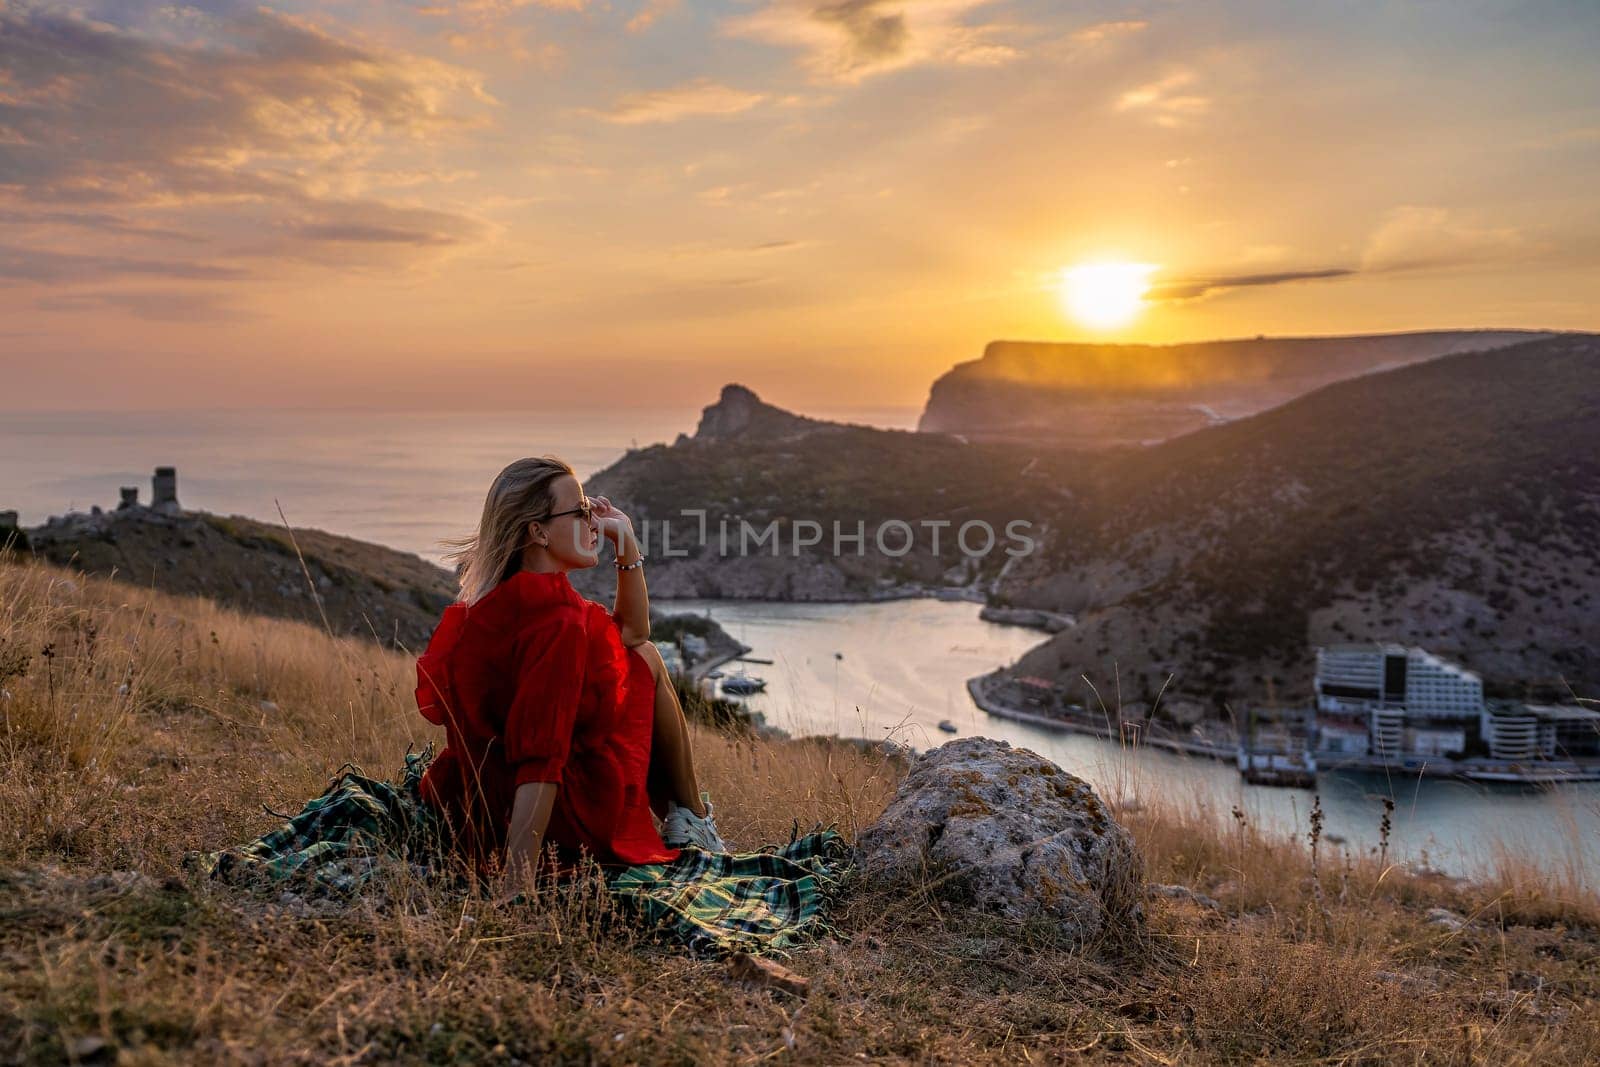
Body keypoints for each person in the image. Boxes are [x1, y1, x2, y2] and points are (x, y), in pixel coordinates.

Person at [413, 456, 727, 903]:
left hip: (477, 798)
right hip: (553, 820)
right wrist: (514, 888)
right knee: (647, 659)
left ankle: (691, 819)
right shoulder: (557, 624)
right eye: (579, 512)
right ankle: (694, 821)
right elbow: (540, 760)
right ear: (537, 531)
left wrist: (627, 542)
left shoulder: (512, 597)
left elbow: (634, 634)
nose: (592, 521)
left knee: (642, 657)